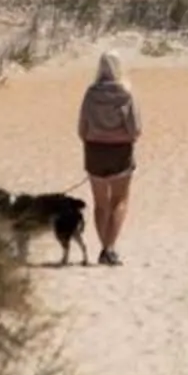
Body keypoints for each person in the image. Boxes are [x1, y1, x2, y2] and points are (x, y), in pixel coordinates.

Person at [77, 51, 141, 266]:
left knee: (100, 203)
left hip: (94, 150)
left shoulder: (91, 93)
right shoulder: (126, 94)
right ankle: (109, 248)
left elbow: (81, 127)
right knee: (120, 200)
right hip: (120, 150)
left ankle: (105, 246)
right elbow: (136, 128)